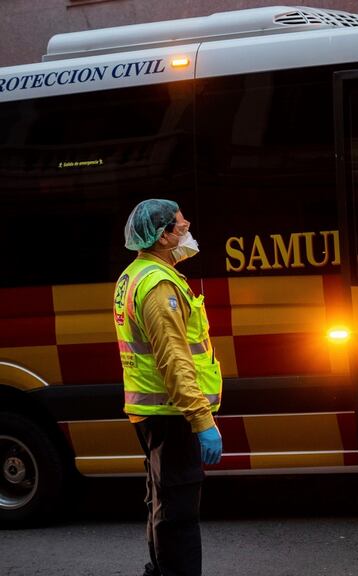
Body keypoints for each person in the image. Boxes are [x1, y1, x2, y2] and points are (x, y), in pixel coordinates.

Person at [113, 199, 223, 576]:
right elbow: (174, 360)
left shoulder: (137, 274)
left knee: (163, 502)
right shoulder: (159, 287)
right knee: (178, 513)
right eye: (179, 226)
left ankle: (159, 572)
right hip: (172, 413)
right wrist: (202, 420)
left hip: (156, 411)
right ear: (162, 238)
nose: (187, 226)